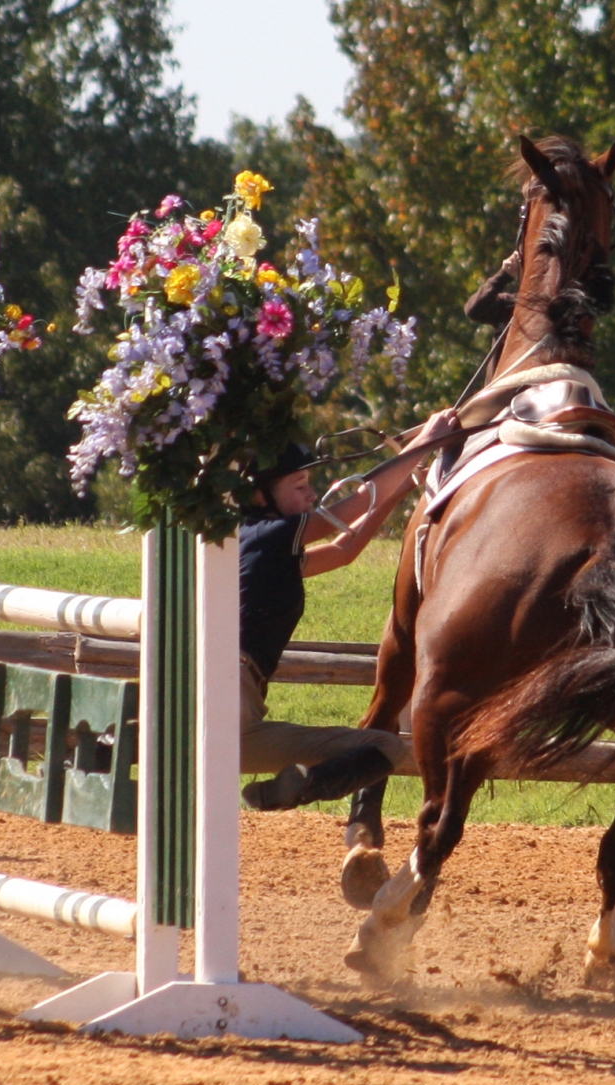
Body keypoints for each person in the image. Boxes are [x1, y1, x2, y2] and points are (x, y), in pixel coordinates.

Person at [239, 409, 459, 811]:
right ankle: (306, 786)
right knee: (385, 748)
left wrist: (397, 490)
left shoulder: (259, 550)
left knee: (384, 745)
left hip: (242, 715)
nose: (309, 494)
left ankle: (300, 785)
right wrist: (424, 443)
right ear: (260, 496)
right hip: (227, 695)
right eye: (299, 485)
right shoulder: (269, 536)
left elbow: (344, 550)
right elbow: (353, 505)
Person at [464, 251, 521, 381]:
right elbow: (474, 309)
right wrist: (504, 275)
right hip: (500, 395)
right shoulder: (509, 305)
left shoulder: (562, 309)